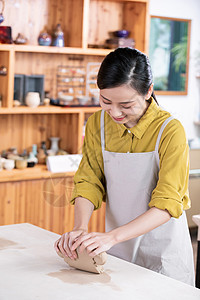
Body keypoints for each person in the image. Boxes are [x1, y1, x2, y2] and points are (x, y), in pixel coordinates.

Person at [55, 47, 195, 285]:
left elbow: (167, 202)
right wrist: (80, 228)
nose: (115, 112)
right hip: (117, 249)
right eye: (106, 101)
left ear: (148, 91)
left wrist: (112, 237)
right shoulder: (97, 125)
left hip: (163, 254)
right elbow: (88, 181)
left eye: (126, 105)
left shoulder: (170, 131)